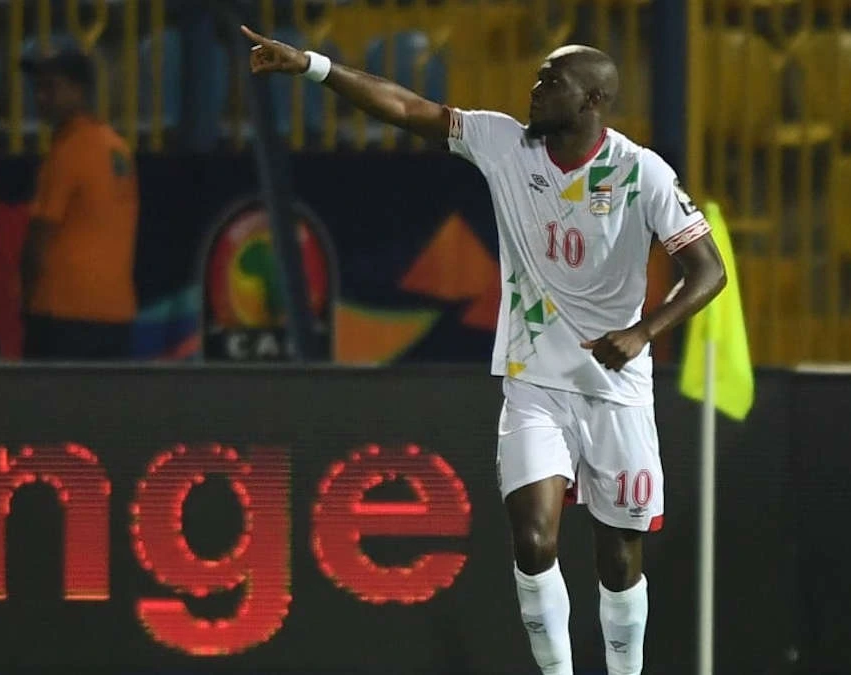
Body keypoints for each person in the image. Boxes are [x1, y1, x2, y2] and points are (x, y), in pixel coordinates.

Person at [242, 26, 726, 675]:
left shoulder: (642, 173)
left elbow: (708, 270)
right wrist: (312, 65)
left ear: (593, 102)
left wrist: (645, 331)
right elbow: (409, 108)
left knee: (618, 560)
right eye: (537, 76)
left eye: (552, 81)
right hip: (532, 383)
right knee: (533, 540)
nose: (535, 88)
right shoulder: (505, 144)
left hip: (617, 390)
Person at [20, 49, 139, 360]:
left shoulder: (68, 150)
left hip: (62, 312)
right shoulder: (117, 147)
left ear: (79, 90)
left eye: (52, 87)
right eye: (38, 88)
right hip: (115, 314)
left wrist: (26, 300)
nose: (42, 97)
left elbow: (39, 239)